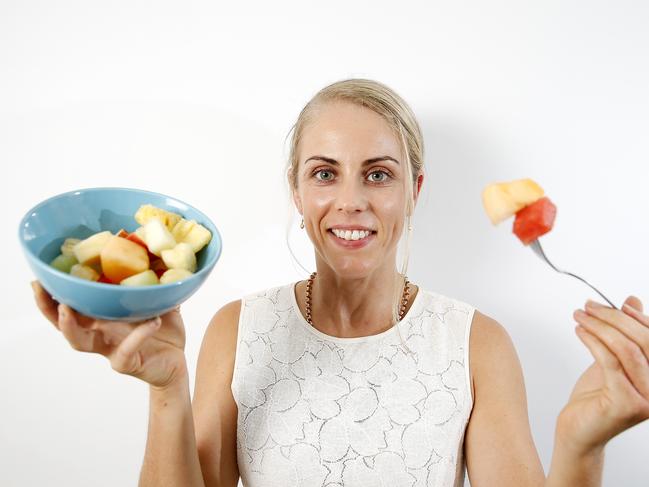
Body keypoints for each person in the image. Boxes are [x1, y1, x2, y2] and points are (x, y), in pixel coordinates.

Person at [31, 78, 649, 487]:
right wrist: (168, 391)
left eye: (378, 175)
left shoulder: (476, 344)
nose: (350, 200)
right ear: (297, 192)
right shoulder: (238, 328)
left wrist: (581, 446)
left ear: (415, 190)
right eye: (325, 173)